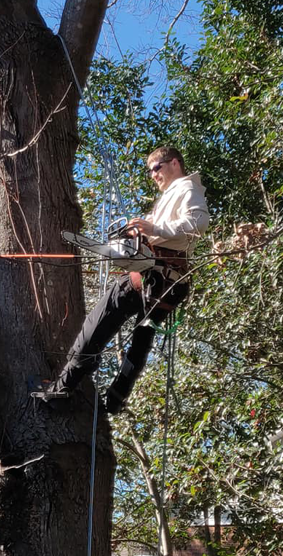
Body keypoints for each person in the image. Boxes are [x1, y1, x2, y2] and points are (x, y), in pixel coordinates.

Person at [49, 146, 209, 414]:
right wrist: (141, 229)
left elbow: (197, 224)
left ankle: (62, 388)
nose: (153, 175)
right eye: (151, 171)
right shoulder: (170, 197)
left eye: (156, 168)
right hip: (168, 283)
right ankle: (117, 397)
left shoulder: (186, 189)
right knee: (141, 340)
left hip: (152, 276)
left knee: (96, 325)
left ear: (175, 163)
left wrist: (154, 229)